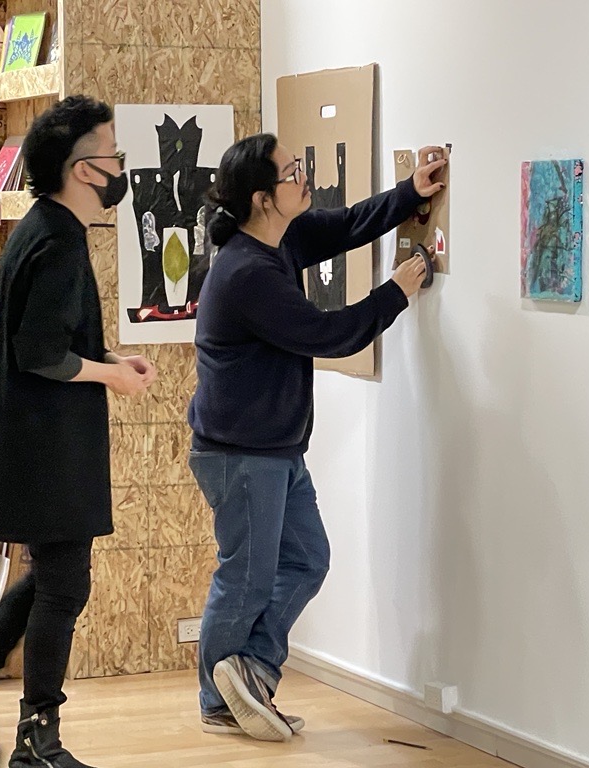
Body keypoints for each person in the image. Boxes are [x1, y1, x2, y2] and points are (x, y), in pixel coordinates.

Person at [0, 95, 157, 768]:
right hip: (44, 448)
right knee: (65, 586)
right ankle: (34, 741)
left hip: (37, 442)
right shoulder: (55, 240)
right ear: (83, 169)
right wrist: (111, 378)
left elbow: (51, 339)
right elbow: (39, 354)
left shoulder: (48, 229)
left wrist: (109, 359)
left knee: (51, 580)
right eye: (114, 155)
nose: (120, 169)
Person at [187, 133, 447, 742]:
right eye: (290, 173)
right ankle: (219, 701)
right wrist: (397, 292)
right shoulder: (247, 273)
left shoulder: (282, 239)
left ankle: (249, 672)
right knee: (246, 577)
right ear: (261, 199)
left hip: (274, 448)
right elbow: (330, 335)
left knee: (307, 559)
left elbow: (349, 224)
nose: (303, 177)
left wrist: (411, 192)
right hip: (241, 454)